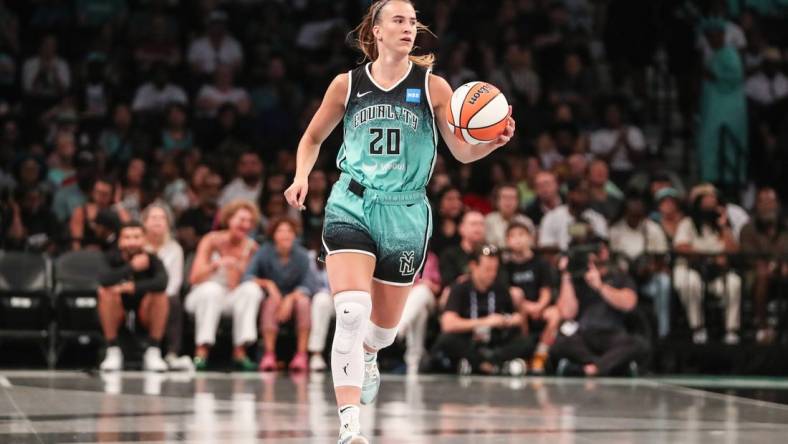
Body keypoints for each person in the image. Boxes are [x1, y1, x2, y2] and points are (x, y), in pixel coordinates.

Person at [282, 1, 515, 441]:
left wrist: (492, 143)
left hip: (407, 211)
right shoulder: (346, 85)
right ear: (377, 30)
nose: (408, 27)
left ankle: (370, 353)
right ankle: (349, 425)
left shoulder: (433, 87)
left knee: (383, 331)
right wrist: (300, 176)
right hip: (351, 202)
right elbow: (312, 137)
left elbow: (462, 150)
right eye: (399, 20)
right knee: (351, 310)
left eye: (413, 21)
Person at [183, 200, 263, 371]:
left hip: (230, 296)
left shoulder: (251, 247)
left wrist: (238, 269)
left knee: (251, 290)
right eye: (242, 220)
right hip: (202, 294)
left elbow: (240, 285)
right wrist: (217, 264)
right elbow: (194, 278)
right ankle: (201, 352)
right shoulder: (210, 240)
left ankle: (240, 352)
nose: (246, 225)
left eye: (249, 221)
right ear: (229, 219)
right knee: (212, 291)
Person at [430, 245, 533, 374]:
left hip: (494, 343)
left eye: (495, 269)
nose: (492, 274)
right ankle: (492, 366)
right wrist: (486, 321)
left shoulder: (500, 288)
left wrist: (511, 320)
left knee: (527, 341)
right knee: (446, 340)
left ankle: (482, 364)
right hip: (468, 341)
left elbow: (513, 318)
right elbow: (448, 323)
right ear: (473, 266)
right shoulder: (460, 288)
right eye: (487, 269)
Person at [552, 239, 649, 376]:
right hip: (584, 335)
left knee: (638, 344)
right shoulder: (577, 279)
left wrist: (600, 287)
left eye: (601, 250)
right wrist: (566, 274)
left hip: (613, 334)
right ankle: (601, 365)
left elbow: (629, 304)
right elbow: (567, 313)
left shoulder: (620, 277)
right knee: (561, 343)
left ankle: (594, 368)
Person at [247, 217, 318, 372]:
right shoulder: (264, 251)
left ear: (295, 235)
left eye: (289, 231)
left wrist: (290, 298)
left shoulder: (302, 255)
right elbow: (248, 276)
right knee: (271, 302)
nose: (285, 234)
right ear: (273, 235)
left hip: (295, 297)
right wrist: (269, 285)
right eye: (281, 231)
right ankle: (269, 354)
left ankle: (301, 355)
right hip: (272, 299)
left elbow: (310, 284)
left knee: (304, 302)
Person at [97, 221, 169, 372]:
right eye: (127, 237)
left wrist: (133, 287)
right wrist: (131, 267)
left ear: (144, 239)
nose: (132, 242)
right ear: (120, 240)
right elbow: (103, 279)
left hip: (144, 311)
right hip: (118, 311)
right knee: (105, 292)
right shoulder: (110, 257)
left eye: (136, 237)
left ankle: (153, 351)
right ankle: (113, 351)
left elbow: (163, 282)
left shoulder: (152, 259)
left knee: (160, 296)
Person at [673, 191, 742, 345]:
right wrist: (707, 257)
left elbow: (734, 251)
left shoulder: (722, 228)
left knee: (734, 282)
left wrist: (724, 226)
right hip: (692, 269)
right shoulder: (688, 223)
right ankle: (698, 328)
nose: (711, 207)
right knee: (691, 282)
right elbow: (680, 247)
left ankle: (731, 331)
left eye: (714, 204)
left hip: (716, 274)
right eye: (707, 203)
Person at [610, 194, 671, 338]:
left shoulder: (652, 229)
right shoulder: (615, 230)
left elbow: (662, 259)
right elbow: (610, 259)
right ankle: (617, 330)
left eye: (639, 215)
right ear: (625, 213)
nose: (636, 219)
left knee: (664, 282)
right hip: (622, 280)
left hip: (646, 281)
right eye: (632, 215)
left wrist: (650, 268)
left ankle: (663, 332)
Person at [141, 203, 192, 371]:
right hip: (140, 295)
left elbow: (175, 282)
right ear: (144, 222)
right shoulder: (137, 245)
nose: (158, 222)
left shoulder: (175, 249)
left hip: (164, 297)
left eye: (162, 218)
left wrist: (159, 296)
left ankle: (172, 354)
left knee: (174, 301)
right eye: (153, 218)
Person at [503, 222, 558, 374]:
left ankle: (540, 355)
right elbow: (508, 295)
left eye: (521, 235)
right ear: (507, 241)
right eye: (513, 236)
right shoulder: (506, 266)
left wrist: (539, 306)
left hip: (539, 308)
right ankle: (525, 349)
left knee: (555, 314)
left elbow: (546, 290)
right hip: (519, 310)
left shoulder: (540, 262)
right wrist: (526, 307)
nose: (518, 239)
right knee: (516, 294)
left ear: (530, 238)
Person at [739, 187, 788, 344]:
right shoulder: (748, 229)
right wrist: (773, 266)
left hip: (782, 271)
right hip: (755, 274)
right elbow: (750, 257)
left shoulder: (786, 228)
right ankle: (762, 327)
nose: (767, 205)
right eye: (763, 202)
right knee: (762, 273)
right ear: (756, 205)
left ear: (778, 205)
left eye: (771, 201)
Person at [484, 183, 535, 249]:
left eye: (512, 197)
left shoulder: (526, 222)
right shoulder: (488, 221)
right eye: (504, 197)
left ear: (518, 201)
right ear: (497, 200)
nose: (508, 201)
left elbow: (531, 248)